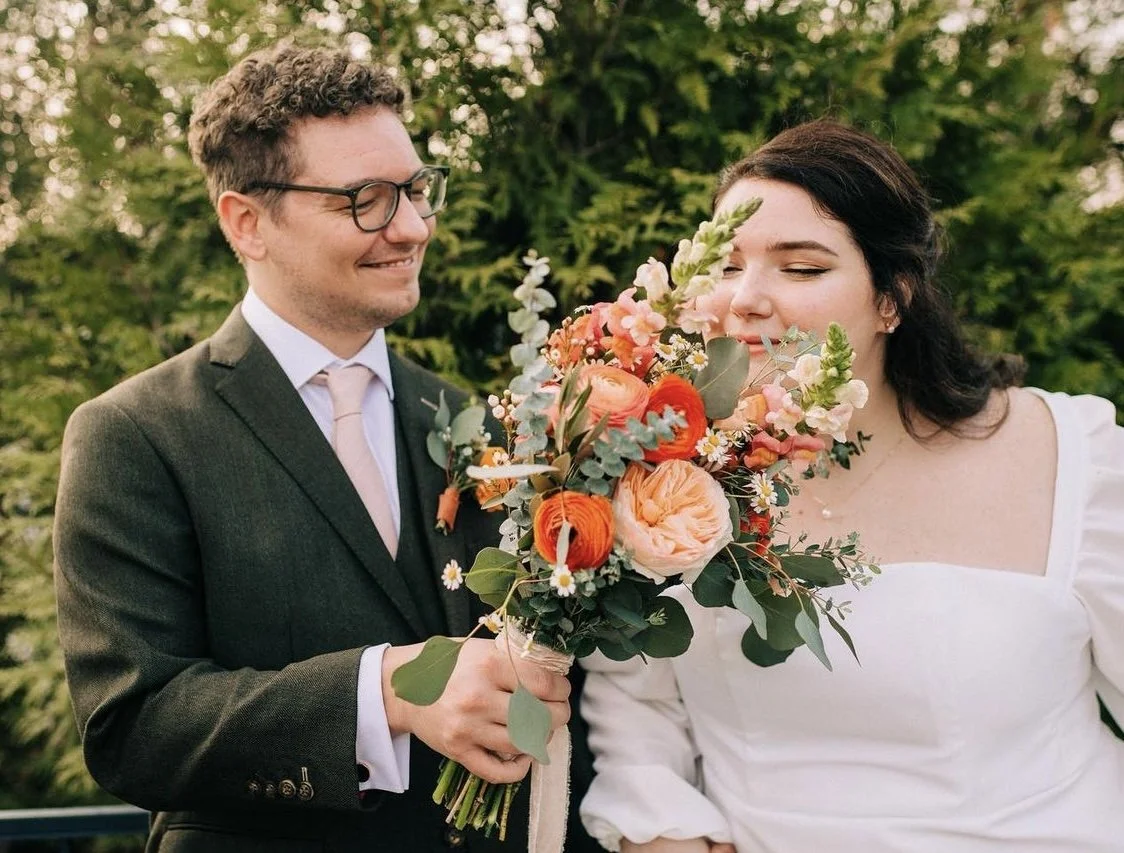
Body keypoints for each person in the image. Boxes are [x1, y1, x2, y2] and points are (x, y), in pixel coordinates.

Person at [54, 43, 599, 853]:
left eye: (416, 191)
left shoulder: (484, 424)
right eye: (365, 200)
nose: (412, 227)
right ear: (247, 222)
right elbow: (134, 724)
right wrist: (384, 694)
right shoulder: (133, 434)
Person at [578, 119, 1124, 852]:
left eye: (800, 268)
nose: (746, 299)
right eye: (727, 265)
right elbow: (635, 713)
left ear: (892, 298)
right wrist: (664, 829)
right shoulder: (658, 473)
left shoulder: (1068, 456)